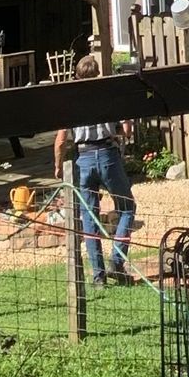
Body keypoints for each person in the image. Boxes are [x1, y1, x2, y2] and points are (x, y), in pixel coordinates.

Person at [54, 119, 136, 286]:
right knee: (127, 208)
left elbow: (61, 139)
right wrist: (118, 130)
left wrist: (58, 166)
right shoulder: (108, 95)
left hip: (83, 159)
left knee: (89, 217)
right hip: (108, 156)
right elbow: (127, 130)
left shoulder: (69, 101)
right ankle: (116, 262)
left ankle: (98, 277)